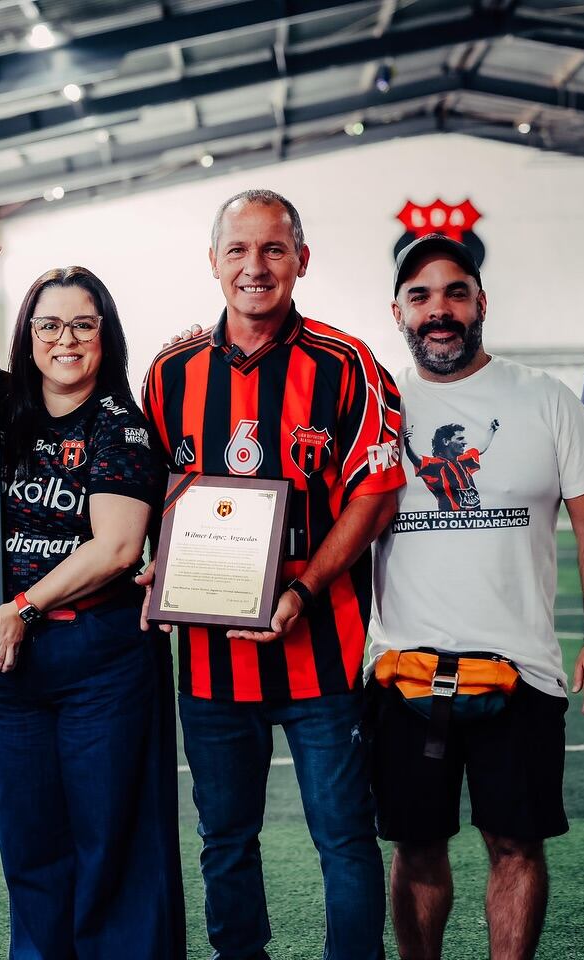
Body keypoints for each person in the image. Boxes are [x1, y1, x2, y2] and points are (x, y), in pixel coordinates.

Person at [139, 189, 402, 960]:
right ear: (214, 262)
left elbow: (376, 495)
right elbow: (149, 492)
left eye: (274, 249)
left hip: (320, 648)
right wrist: (155, 568)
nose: (256, 267)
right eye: (239, 250)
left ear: (301, 259)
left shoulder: (348, 364)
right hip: (213, 664)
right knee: (225, 839)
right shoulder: (168, 372)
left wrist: (305, 589)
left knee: (345, 837)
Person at [0, 232, 184, 958]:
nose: (66, 339)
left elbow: (116, 548)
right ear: (27, 335)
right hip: (16, 666)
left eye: (83, 323)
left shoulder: (121, 426)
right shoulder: (1, 409)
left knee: (113, 847)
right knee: (32, 847)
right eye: (48, 324)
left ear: (105, 334)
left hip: (101, 657)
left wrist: (26, 606)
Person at [365, 233, 584, 960]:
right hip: (403, 669)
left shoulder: (548, 401)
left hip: (522, 668)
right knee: (417, 846)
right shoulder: (375, 406)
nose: (440, 310)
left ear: (480, 302)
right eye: (420, 296)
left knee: (516, 845)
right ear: (397, 311)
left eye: (455, 293)